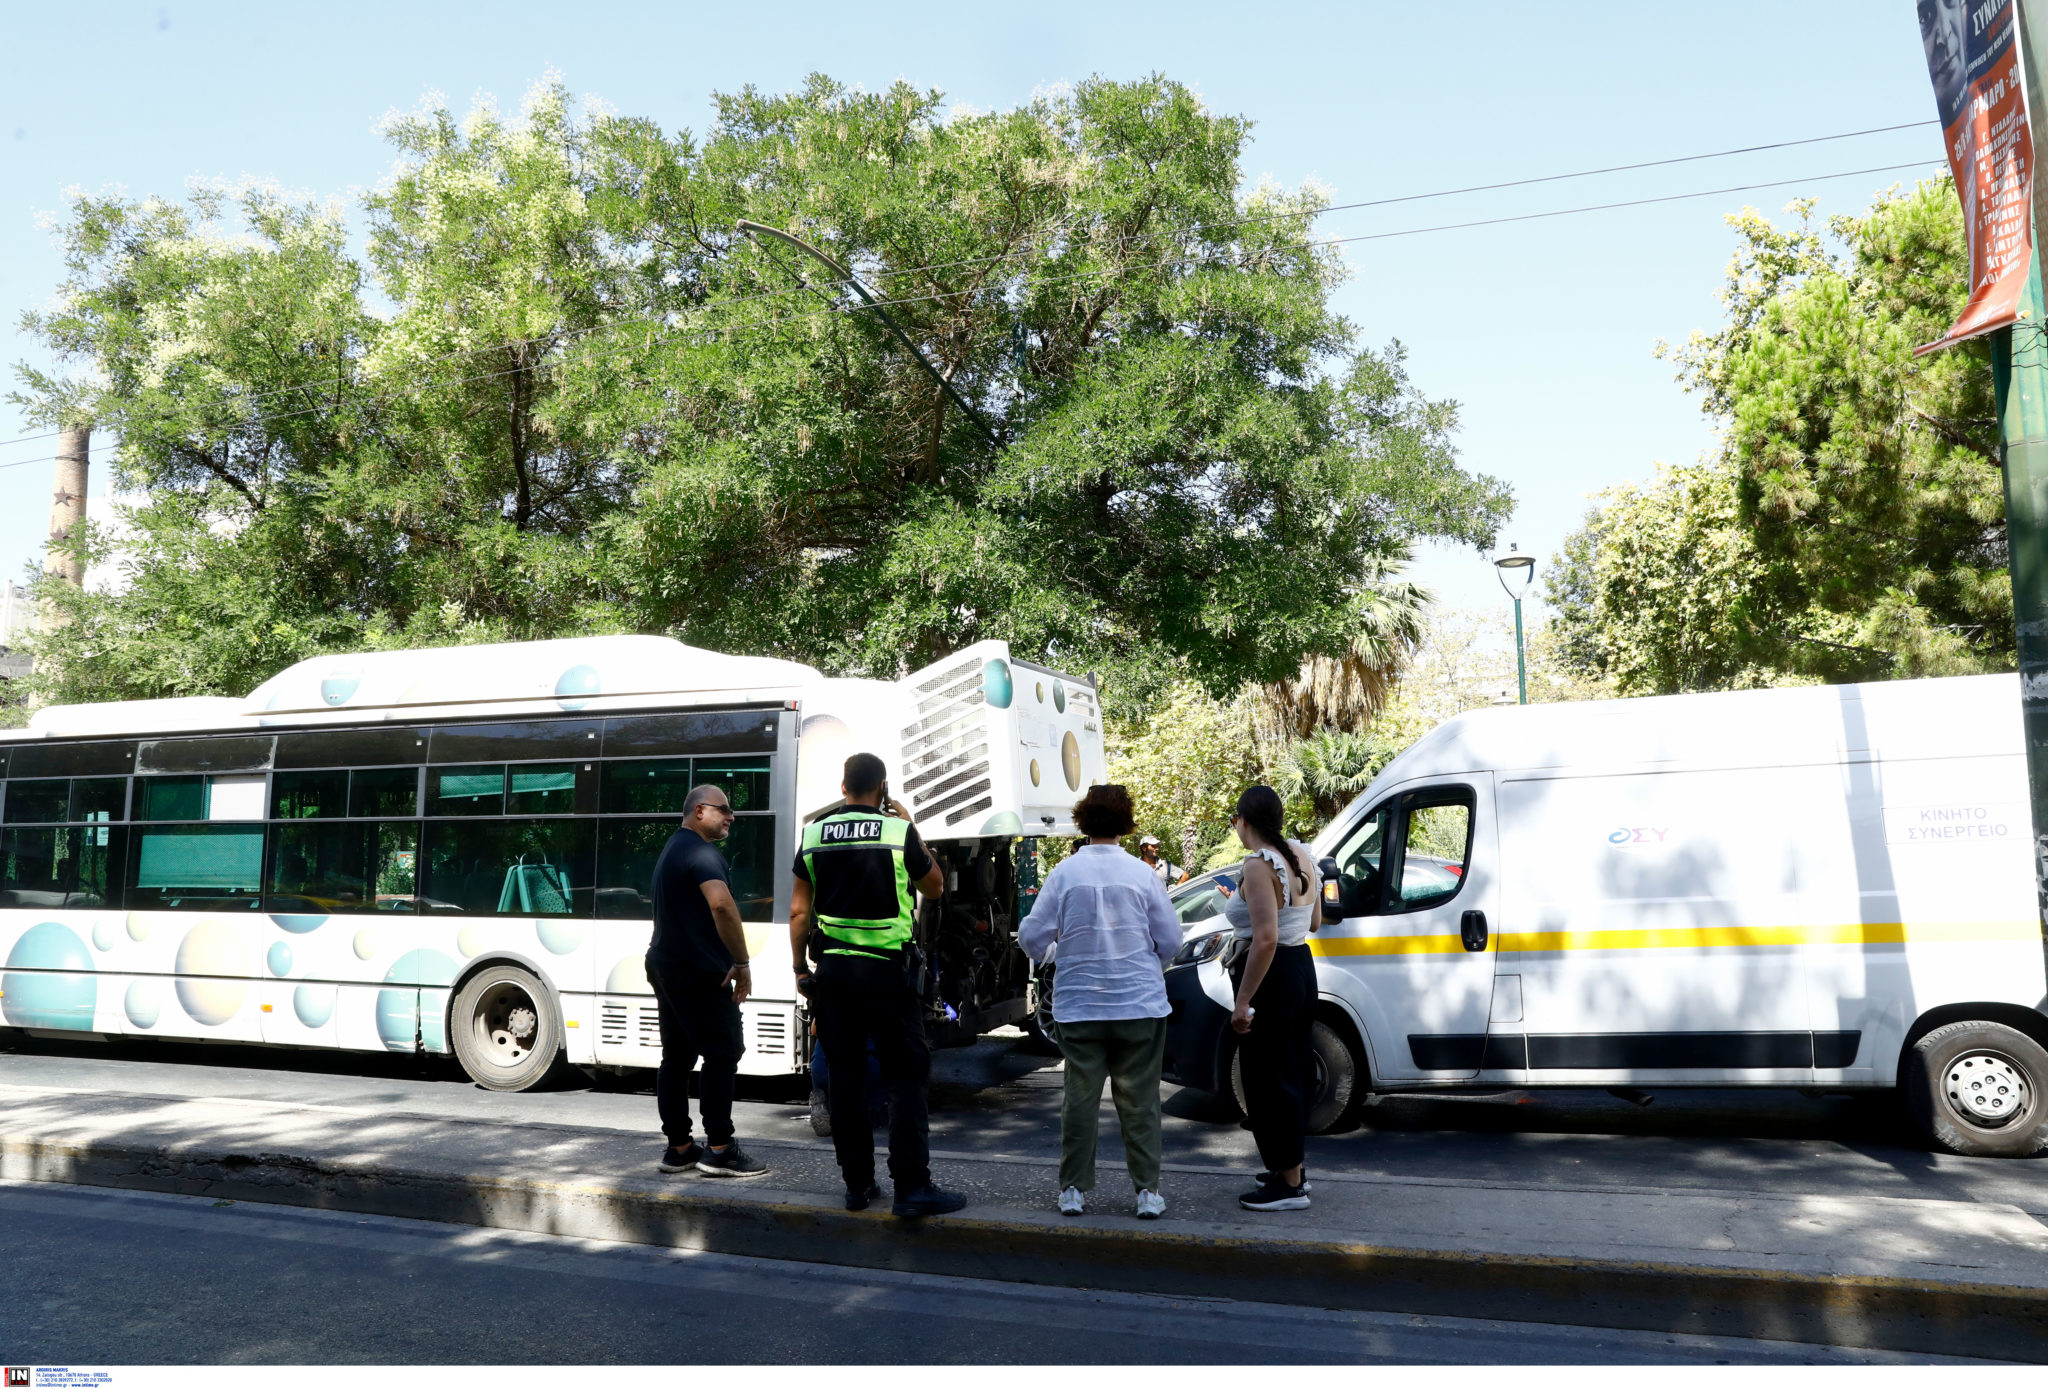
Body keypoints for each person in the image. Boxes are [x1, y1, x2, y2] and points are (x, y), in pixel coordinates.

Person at [789, 752, 967, 1218]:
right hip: (889, 975)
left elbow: (798, 913)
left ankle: (857, 1185)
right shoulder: (897, 831)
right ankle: (911, 1187)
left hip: (835, 978)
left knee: (844, 1081)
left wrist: (799, 970)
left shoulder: (813, 835)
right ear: (882, 787)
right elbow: (933, 887)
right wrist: (912, 826)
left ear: (843, 785)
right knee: (906, 1079)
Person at [1022, 784, 1181, 1219]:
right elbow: (1170, 940)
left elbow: (1033, 937)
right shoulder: (1143, 874)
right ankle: (1147, 1192)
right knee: (1141, 1102)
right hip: (1139, 1005)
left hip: (1080, 1007)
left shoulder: (1064, 874)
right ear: (1126, 824)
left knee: (1080, 1101)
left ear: (1082, 821)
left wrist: (1057, 953)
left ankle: (1073, 1190)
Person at [646, 784, 768, 1179]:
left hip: (666, 965)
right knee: (722, 1052)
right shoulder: (702, 853)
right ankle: (719, 1149)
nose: (731, 816)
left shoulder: (673, 848)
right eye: (724, 810)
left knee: (676, 1058)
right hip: (697, 972)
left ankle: (679, 1147)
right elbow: (721, 904)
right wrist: (742, 962)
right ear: (700, 810)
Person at [1224, 784, 1320, 1212]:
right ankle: (1290, 1169)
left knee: (1267, 1079)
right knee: (1291, 1071)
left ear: (1243, 822)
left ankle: (1290, 1187)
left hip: (1273, 973)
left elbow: (1265, 940)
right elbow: (1314, 921)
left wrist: (1243, 1001)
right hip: (1302, 966)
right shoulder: (1302, 856)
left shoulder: (1258, 865)